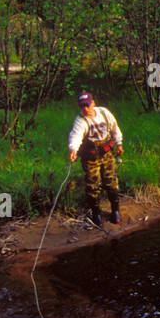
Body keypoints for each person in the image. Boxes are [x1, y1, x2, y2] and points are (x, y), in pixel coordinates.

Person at [67, 91, 123, 226]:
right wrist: (73, 149)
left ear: (93, 103)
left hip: (107, 153)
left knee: (111, 183)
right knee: (93, 186)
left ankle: (115, 210)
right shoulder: (80, 120)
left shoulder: (104, 113)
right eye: (82, 106)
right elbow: (76, 135)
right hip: (90, 157)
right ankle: (96, 213)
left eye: (87, 105)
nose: (85, 108)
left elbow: (115, 128)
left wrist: (119, 143)